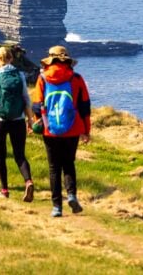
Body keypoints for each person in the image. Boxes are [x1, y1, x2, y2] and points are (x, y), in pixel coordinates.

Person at [33, 45, 91, 217]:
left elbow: (36, 106)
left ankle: (57, 206)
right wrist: (86, 130)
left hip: (50, 130)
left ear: (50, 60)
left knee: (53, 168)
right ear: (67, 60)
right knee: (68, 164)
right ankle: (72, 195)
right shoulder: (76, 78)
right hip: (73, 128)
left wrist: (37, 123)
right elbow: (85, 107)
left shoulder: (42, 78)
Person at [0, 46, 36, 201]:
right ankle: (28, 181)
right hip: (18, 120)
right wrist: (30, 119)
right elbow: (26, 99)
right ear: (11, 58)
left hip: (0, 120)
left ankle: (4, 190)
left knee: (1, 155)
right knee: (20, 155)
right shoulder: (20, 75)